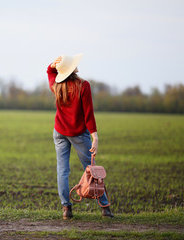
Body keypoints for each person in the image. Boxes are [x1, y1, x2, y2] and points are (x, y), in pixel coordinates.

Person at [47, 54, 114, 219]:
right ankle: (105, 208)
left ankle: (66, 209)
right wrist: (95, 137)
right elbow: (88, 114)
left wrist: (52, 66)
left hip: (59, 132)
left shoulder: (57, 85)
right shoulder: (83, 86)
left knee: (62, 170)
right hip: (78, 133)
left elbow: (49, 74)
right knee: (92, 170)